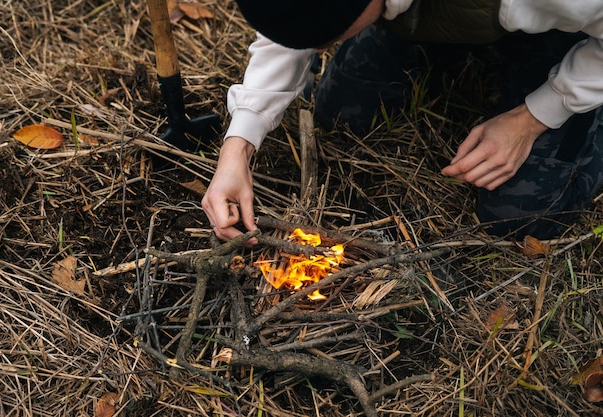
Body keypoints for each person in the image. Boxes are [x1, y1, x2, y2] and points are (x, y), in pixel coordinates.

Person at [202, 0, 603, 241]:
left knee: (522, 218)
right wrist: (238, 145)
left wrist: (534, 116)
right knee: (343, 114)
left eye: (327, 36)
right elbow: (296, 16)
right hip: (441, 14)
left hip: (575, 30)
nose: (319, 49)